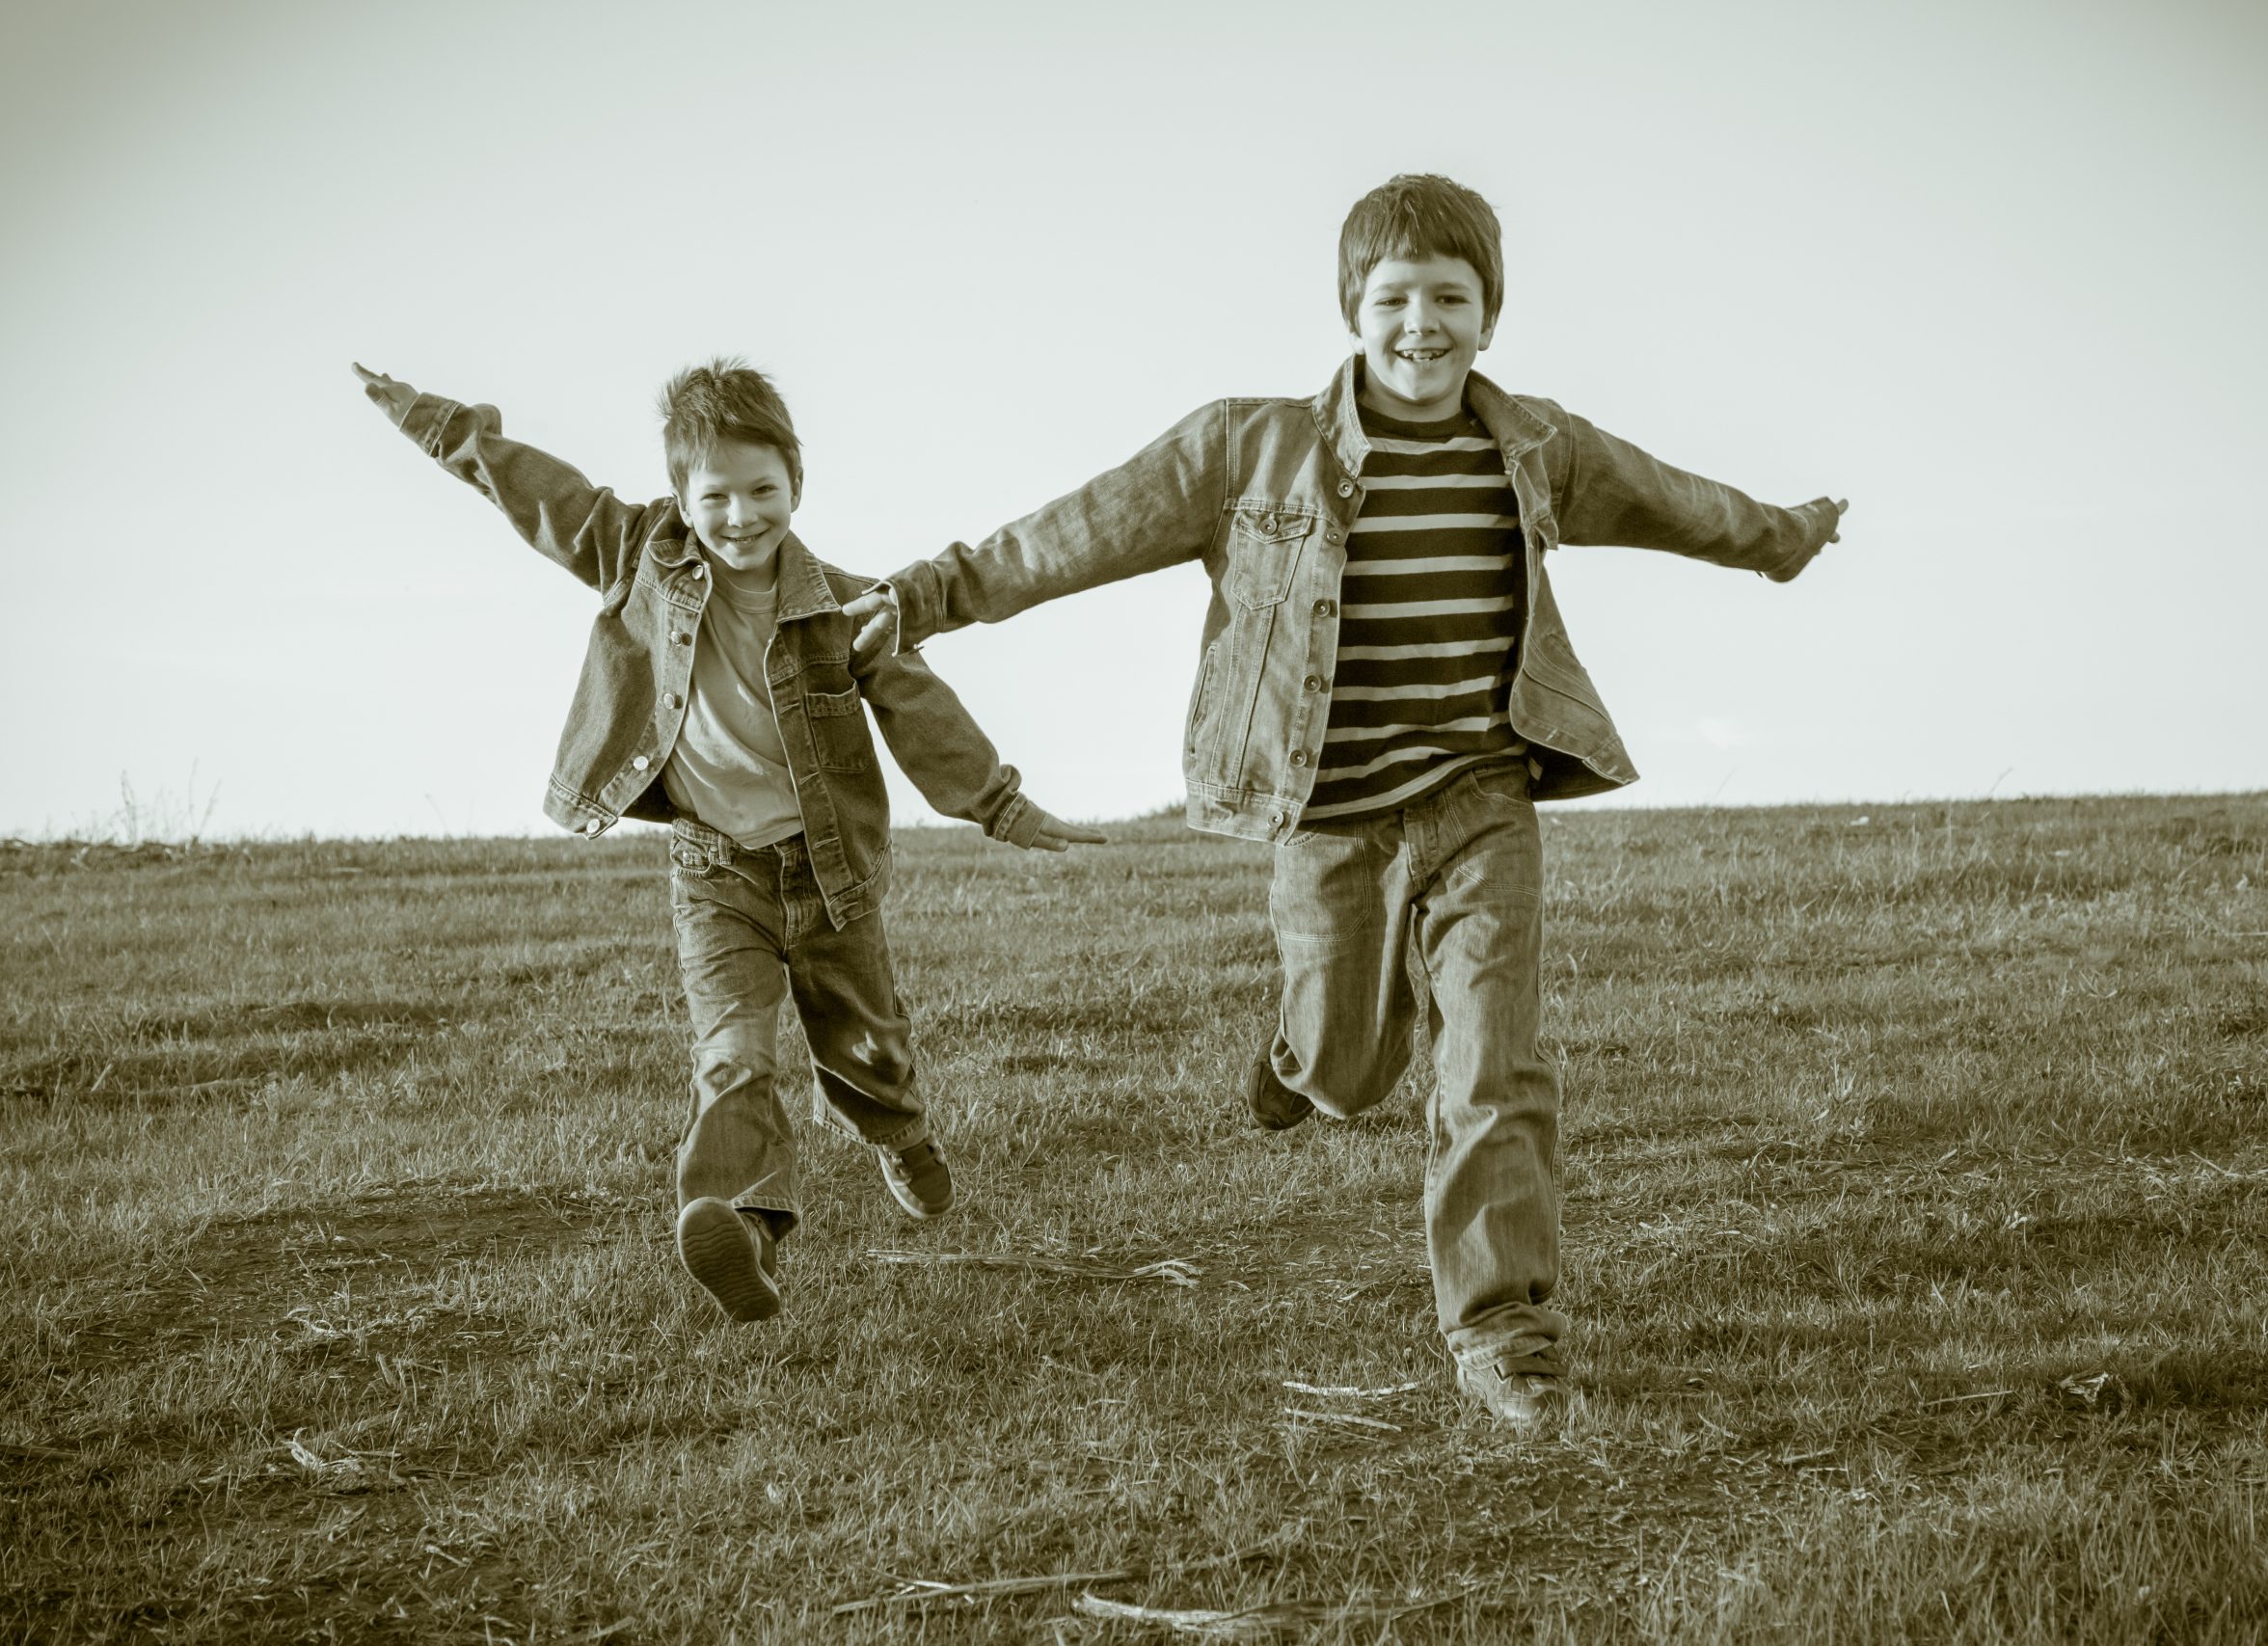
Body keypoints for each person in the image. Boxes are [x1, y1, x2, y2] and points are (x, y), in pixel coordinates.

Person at [844, 175, 1849, 1426]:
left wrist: (1780, 533)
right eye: (1395, 298)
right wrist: (930, 592)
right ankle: (1297, 1057)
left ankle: (1502, 1330)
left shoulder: (1538, 444)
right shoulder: (1245, 448)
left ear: (1489, 314)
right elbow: (1076, 531)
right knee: (1351, 1068)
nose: (1422, 323)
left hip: (1485, 796)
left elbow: (1669, 497)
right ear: (1351, 310)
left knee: (1494, 1065)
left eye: (1451, 297)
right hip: (1327, 811)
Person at [354, 358, 1102, 1324]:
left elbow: (919, 707)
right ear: (680, 496)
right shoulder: (635, 554)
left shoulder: (842, 604)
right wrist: (437, 425)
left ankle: (902, 1135)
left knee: (866, 1051)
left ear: (796, 486)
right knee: (732, 1055)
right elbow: (532, 489)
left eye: (763, 492)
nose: (742, 516)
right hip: (714, 872)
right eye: (717, 497)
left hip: (828, 876)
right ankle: (740, 1222)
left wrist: (999, 804)